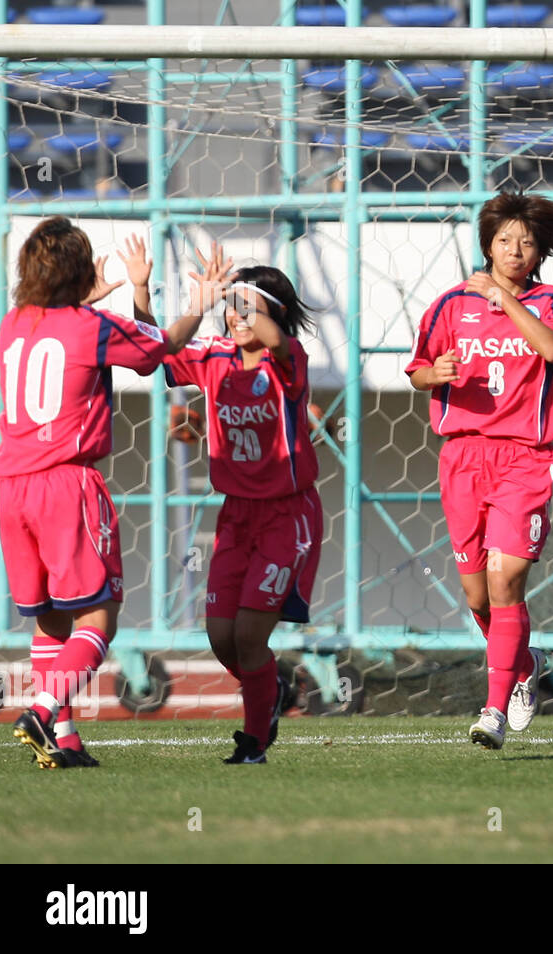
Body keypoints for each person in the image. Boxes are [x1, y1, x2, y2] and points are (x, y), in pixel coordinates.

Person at [0, 217, 224, 768]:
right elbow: (160, 349)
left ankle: (64, 740)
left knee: (51, 618)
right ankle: (42, 711)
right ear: (77, 272)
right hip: (66, 483)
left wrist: (86, 301)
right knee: (99, 620)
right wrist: (200, 301)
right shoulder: (87, 326)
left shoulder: (12, 324)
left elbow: (61, 338)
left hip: (11, 487)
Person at [406, 191, 553, 750]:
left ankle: (494, 710)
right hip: (462, 457)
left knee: (508, 581)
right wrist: (434, 374)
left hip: (524, 459)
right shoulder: (449, 305)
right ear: (487, 244)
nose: (514, 250)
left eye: (526, 242)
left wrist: (506, 303)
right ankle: (523, 664)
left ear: (540, 252)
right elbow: (416, 372)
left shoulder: (552, 301)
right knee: (478, 597)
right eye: (504, 240)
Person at [145, 240, 322, 764]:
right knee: (222, 637)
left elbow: (279, 339)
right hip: (236, 514)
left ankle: (254, 740)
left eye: (250, 306)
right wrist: (143, 292)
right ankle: (269, 691)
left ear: (276, 316)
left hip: (287, 515)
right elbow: (156, 349)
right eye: (233, 306)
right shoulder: (214, 358)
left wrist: (238, 292)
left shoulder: (288, 362)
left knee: (248, 633)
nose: (237, 314)